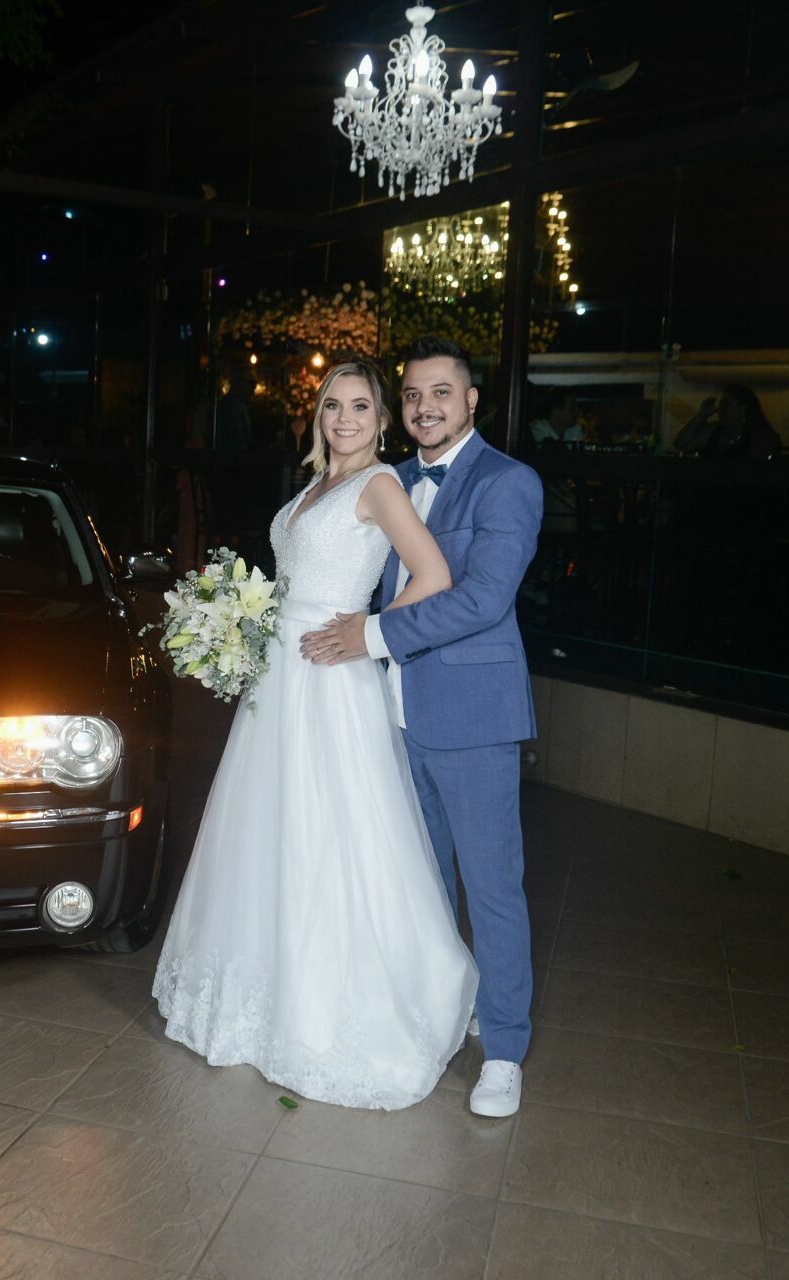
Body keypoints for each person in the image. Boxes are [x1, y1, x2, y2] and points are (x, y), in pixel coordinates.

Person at [151, 358, 479, 1111]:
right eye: (334, 406)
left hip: (332, 680)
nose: (345, 420)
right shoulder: (310, 490)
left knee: (335, 834)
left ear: (382, 420)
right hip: (280, 682)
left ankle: (337, 1007)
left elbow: (432, 577)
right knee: (268, 834)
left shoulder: (380, 486)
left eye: (361, 407)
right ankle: (252, 1002)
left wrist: (368, 630)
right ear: (319, 415)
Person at [299, 335, 543, 1119]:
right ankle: (438, 1014)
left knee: (491, 887)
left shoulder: (509, 483)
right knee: (423, 885)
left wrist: (364, 637)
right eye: (412, 396)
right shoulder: (389, 479)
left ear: (472, 401)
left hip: (471, 717)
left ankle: (503, 1048)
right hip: (385, 717)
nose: (425, 407)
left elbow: (481, 600)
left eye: (441, 393)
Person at [673, 384, 781, 459]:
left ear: (743, 408)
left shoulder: (760, 436)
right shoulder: (715, 431)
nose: (720, 409)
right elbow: (682, 444)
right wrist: (701, 416)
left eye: (727, 404)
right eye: (721, 404)